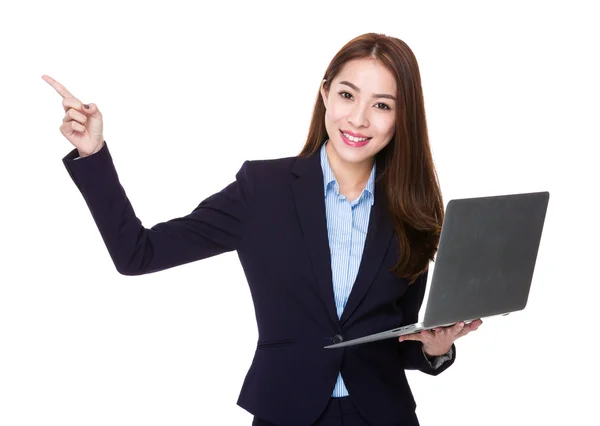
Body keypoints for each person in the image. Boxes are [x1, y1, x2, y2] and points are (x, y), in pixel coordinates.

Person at [43, 32, 482, 426]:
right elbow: (137, 254)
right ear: (325, 93)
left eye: (382, 105)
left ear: (401, 118)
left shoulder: (413, 209)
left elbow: (397, 339)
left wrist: (435, 348)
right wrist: (93, 153)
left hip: (384, 416)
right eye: (348, 95)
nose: (359, 118)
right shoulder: (263, 190)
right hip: (286, 412)